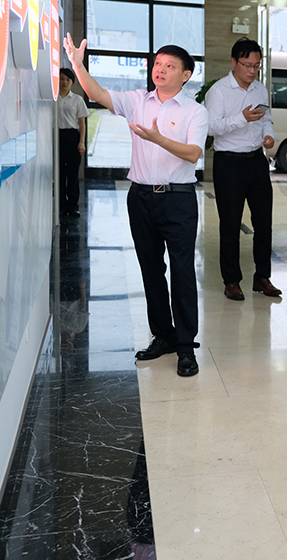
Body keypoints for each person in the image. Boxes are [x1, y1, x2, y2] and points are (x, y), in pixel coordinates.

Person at [64, 33, 209, 377]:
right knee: (150, 269)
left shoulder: (195, 111)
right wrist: (78, 66)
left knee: (183, 271)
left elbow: (193, 154)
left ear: (186, 75)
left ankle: (185, 346)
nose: (160, 70)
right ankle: (164, 336)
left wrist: (159, 139)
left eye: (169, 66)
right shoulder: (137, 101)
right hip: (141, 197)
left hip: (178, 199)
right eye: (157, 64)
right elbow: (98, 94)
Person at [206, 38, 282, 301]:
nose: (252, 71)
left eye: (257, 66)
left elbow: (266, 118)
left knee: (263, 222)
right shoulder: (219, 91)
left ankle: (262, 277)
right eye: (247, 65)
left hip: (257, 160)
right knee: (230, 223)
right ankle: (231, 280)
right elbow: (211, 127)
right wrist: (242, 118)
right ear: (234, 62)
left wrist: (269, 135)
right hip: (229, 163)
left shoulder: (260, 89)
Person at [56, 68, 88, 218]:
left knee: (73, 174)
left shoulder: (77, 99)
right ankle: (61, 206)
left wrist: (81, 142)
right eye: (62, 79)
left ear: (72, 82)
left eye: (67, 80)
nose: (64, 82)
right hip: (57, 136)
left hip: (73, 137)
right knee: (60, 174)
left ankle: (73, 206)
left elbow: (82, 123)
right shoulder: (53, 99)